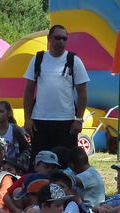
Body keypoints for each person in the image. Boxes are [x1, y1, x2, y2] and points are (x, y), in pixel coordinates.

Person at [22, 24, 89, 158]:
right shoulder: (38, 59)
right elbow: (29, 91)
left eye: (64, 39)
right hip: (40, 121)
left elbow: (82, 93)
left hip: (66, 122)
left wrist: (79, 119)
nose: (61, 42)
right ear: (49, 39)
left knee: (65, 163)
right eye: (57, 38)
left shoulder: (74, 61)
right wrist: (27, 119)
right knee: (40, 162)